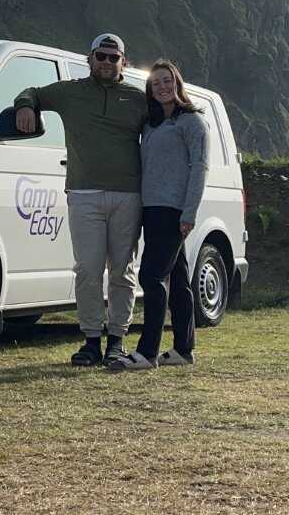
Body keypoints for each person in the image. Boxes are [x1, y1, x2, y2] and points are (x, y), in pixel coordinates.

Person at [14, 33, 146, 366]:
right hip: (83, 194)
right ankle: (90, 340)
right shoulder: (70, 92)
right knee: (87, 270)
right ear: (89, 59)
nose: (106, 62)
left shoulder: (138, 98)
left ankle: (116, 340)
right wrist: (25, 106)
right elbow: (30, 92)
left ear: (123, 63)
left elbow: (169, 121)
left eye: (113, 57)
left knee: (123, 272)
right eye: (100, 56)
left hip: (128, 196)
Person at [109, 58, 208, 372]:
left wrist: (188, 213)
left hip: (173, 211)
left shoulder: (192, 122)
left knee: (151, 277)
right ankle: (183, 349)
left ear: (177, 83)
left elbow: (199, 169)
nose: (162, 87)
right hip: (150, 209)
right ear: (150, 90)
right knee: (177, 279)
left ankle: (147, 352)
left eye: (167, 81)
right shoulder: (151, 125)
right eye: (156, 83)